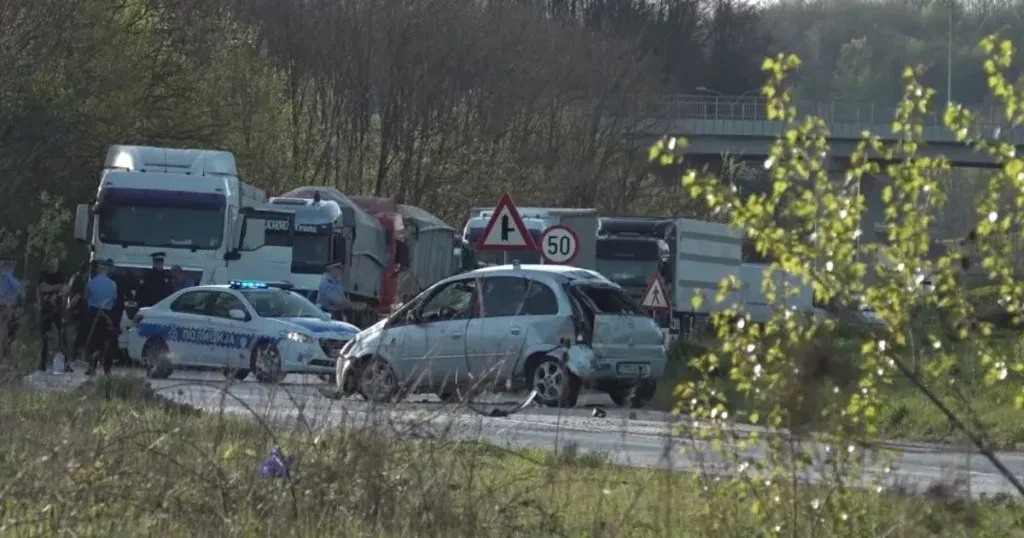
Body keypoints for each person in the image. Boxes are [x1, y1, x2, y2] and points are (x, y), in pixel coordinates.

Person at [83, 258, 118, 376]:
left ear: (98, 269)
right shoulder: (113, 284)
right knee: (107, 342)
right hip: (107, 314)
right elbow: (114, 300)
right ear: (107, 270)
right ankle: (107, 369)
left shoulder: (91, 282)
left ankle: (92, 367)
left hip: (93, 314)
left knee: (93, 341)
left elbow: (86, 298)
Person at [36, 259, 68, 372]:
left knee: (62, 336)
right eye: (50, 262)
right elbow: (42, 287)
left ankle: (65, 363)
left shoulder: (61, 275)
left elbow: (64, 290)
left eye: (54, 262)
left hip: (58, 310)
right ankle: (42, 363)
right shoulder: (43, 275)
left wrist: (53, 288)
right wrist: (56, 287)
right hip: (45, 310)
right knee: (44, 337)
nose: (52, 264)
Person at [65, 261, 95, 363]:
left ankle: (74, 354)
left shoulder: (74, 277)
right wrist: (70, 307)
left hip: (77, 308)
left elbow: (69, 292)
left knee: (78, 333)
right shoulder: (80, 281)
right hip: (79, 310)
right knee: (80, 333)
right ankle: (74, 355)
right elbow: (77, 295)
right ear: (87, 270)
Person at [0, 258, 22, 357]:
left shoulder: (11, 279)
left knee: (8, 333)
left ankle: (6, 353)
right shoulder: (7, 278)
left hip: (10, 309)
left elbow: (18, 293)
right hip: (5, 308)